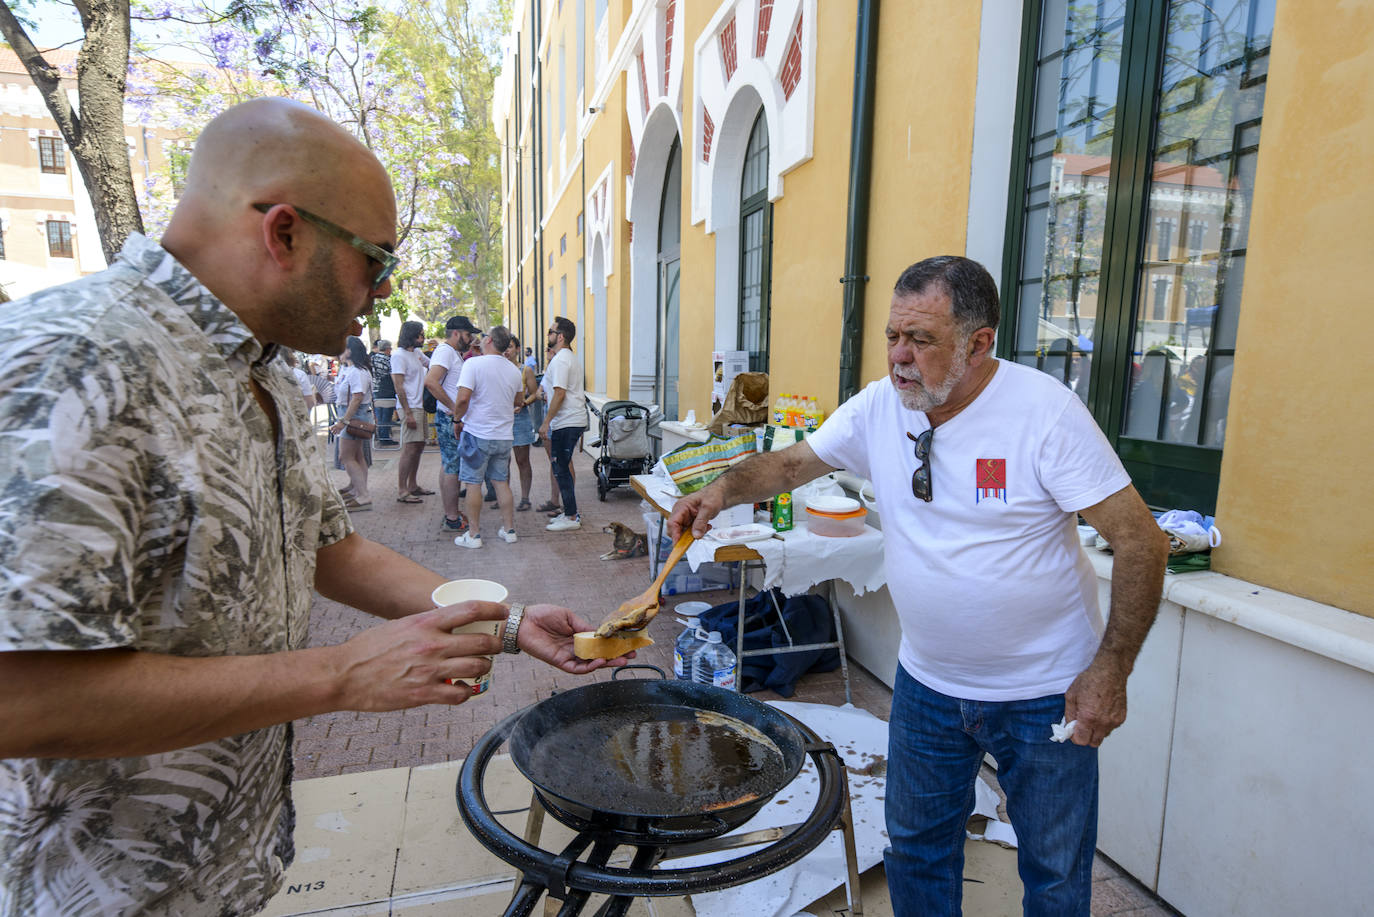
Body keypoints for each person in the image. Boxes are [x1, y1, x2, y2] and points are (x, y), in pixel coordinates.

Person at [0, 98, 630, 916]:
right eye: (375, 258)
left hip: (230, 863)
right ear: (285, 232)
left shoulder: (268, 373)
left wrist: (504, 620)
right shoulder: (72, 362)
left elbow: (330, 549)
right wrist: (340, 674)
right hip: (100, 890)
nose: (387, 288)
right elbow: (20, 694)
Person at [668, 256, 1168, 916]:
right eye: (893, 336)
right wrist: (720, 490)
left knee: (1054, 870)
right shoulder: (882, 406)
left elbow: (1141, 540)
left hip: (1045, 691)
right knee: (916, 849)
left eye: (921, 340)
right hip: (929, 685)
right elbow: (792, 462)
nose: (900, 356)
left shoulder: (1044, 412)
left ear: (979, 342)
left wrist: (1110, 670)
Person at [451, 326, 524, 548]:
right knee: (501, 483)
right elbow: (519, 401)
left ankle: (474, 535)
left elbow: (463, 398)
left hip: (477, 433)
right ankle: (509, 529)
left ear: (490, 340)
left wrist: (457, 420)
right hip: (503, 435)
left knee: (473, 483)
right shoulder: (513, 369)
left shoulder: (473, 364)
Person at [424, 315, 479, 535]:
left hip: (449, 416)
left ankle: (451, 511)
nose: (470, 338)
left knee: (448, 465)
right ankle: (452, 518)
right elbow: (430, 381)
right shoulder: (445, 352)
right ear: (456, 333)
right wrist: (454, 407)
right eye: (468, 334)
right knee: (452, 467)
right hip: (449, 418)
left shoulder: (452, 353)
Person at [540, 316, 588, 532]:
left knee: (561, 469)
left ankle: (571, 516)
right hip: (569, 420)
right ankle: (570, 513)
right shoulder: (566, 358)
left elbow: (560, 393)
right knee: (561, 468)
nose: (548, 335)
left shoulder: (561, 360)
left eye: (551, 332)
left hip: (566, 421)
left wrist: (546, 422)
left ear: (560, 336)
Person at [330, 335, 376, 510]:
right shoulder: (349, 369)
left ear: (349, 351)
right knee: (357, 456)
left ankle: (363, 495)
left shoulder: (357, 371)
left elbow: (357, 397)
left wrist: (343, 421)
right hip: (353, 415)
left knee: (346, 456)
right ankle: (360, 491)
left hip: (354, 416)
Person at [391, 320, 433, 503]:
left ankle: (413, 484)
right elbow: (398, 386)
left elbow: (433, 365)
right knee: (410, 447)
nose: (422, 338)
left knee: (419, 445)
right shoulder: (398, 356)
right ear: (411, 335)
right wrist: (407, 412)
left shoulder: (416, 353)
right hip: (410, 406)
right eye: (420, 335)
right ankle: (402, 489)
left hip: (419, 405)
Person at [506, 334, 539, 511]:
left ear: (518, 349)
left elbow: (535, 393)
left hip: (520, 418)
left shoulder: (525, 370)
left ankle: (525, 498)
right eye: (504, 347)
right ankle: (504, 496)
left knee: (522, 460)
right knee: (502, 461)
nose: (507, 350)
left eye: (510, 346)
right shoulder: (498, 368)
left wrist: (524, 403)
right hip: (501, 419)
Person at [372, 338, 397, 445]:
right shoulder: (389, 360)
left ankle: (380, 435)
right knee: (387, 414)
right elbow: (393, 375)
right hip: (387, 390)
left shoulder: (372, 358)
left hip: (375, 389)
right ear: (387, 349)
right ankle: (384, 437)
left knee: (379, 413)